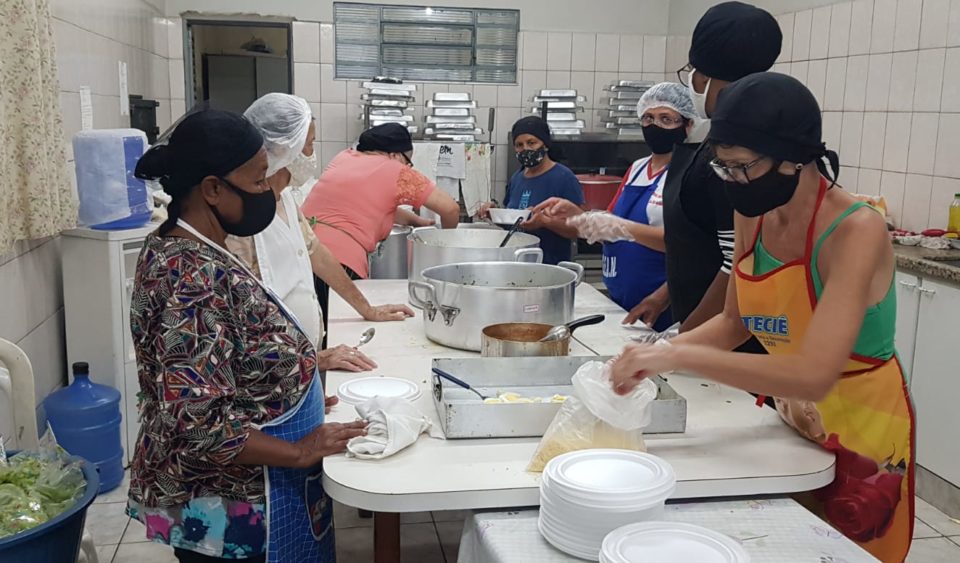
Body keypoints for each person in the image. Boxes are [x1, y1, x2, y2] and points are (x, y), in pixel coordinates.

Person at [610, 73, 914, 563]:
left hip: (862, 426)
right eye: (721, 168)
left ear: (795, 157)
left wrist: (683, 353)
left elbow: (815, 374)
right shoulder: (753, 211)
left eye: (741, 167)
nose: (732, 181)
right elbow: (736, 322)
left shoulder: (855, 230)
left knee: (844, 550)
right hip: (792, 416)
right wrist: (660, 353)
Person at [128, 109, 367, 563]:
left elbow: (230, 352)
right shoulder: (188, 275)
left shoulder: (196, 246)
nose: (267, 193)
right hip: (225, 502)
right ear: (213, 188)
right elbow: (197, 419)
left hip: (249, 485)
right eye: (258, 182)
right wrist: (298, 450)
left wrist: (288, 392)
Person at [227, 93, 413, 373]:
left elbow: (317, 254)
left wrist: (367, 309)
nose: (312, 156)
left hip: (298, 370)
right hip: (273, 380)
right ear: (282, 148)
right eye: (310, 145)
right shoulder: (241, 220)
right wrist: (315, 361)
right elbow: (243, 327)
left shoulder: (285, 199)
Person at [532, 83, 697, 330]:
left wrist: (662, 297)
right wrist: (578, 215)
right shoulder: (637, 168)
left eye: (666, 119)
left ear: (688, 124)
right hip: (623, 299)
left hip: (663, 305)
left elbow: (690, 247)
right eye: (648, 118)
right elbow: (611, 227)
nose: (655, 126)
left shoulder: (690, 173)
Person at [664, 1, 781, 336]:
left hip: (728, 345)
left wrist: (682, 341)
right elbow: (697, 246)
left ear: (708, 77)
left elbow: (736, 268)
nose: (692, 82)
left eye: (694, 72)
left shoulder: (736, 159)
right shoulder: (720, 139)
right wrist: (664, 298)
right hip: (706, 333)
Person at [301, 123, 459, 329]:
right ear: (395, 155)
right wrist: (446, 247)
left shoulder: (345, 157)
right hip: (338, 264)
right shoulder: (396, 170)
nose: (408, 167)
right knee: (341, 334)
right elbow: (451, 209)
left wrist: (418, 222)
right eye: (408, 161)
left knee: (314, 331)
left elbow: (375, 206)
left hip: (303, 252)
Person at [479, 116, 584, 265]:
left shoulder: (563, 178)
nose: (525, 149)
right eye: (519, 145)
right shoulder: (517, 178)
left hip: (550, 266)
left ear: (545, 145)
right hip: (518, 264)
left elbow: (580, 229)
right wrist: (495, 213)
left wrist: (546, 222)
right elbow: (515, 221)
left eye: (531, 143)